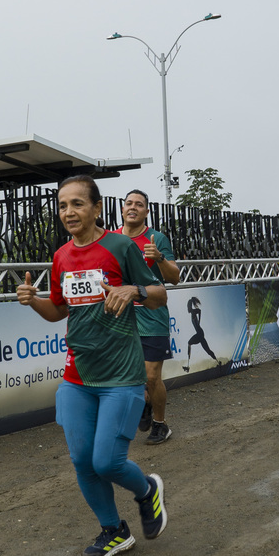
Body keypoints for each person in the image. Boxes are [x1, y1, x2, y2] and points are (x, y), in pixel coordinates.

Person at [16, 175, 168, 556]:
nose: (69, 212)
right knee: (83, 461)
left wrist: (133, 290)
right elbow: (58, 311)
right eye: (63, 205)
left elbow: (159, 294)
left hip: (121, 375)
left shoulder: (120, 246)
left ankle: (147, 491)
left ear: (97, 208)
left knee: (107, 461)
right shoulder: (61, 257)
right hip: (77, 376)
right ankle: (114, 531)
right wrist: (33, 300)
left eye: (78, 203)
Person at [116, 189, 180, 444]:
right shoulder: (111, 239)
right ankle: (143, 400)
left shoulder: (156, 238)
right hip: (121, 316)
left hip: (151, 316)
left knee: (152, 377)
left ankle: (160, 424)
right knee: (126, 375)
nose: (133, 207)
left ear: (146, 211)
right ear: (122, 209)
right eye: (129, 203)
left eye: (139, 204)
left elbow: (174, 278)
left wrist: (159, 257)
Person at [182, 295, 221, 372]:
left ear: (190, 306)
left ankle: (188, 366)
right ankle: (218, 362)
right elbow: (199, 311)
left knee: (189, 343)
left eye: (188, 307)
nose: (187, 309)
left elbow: (199, 311)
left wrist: (199, 321)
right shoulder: (192, 313)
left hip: (199, 333)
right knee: (207, 350)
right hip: (200, 333)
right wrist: (199, 322)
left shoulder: (193, 312)